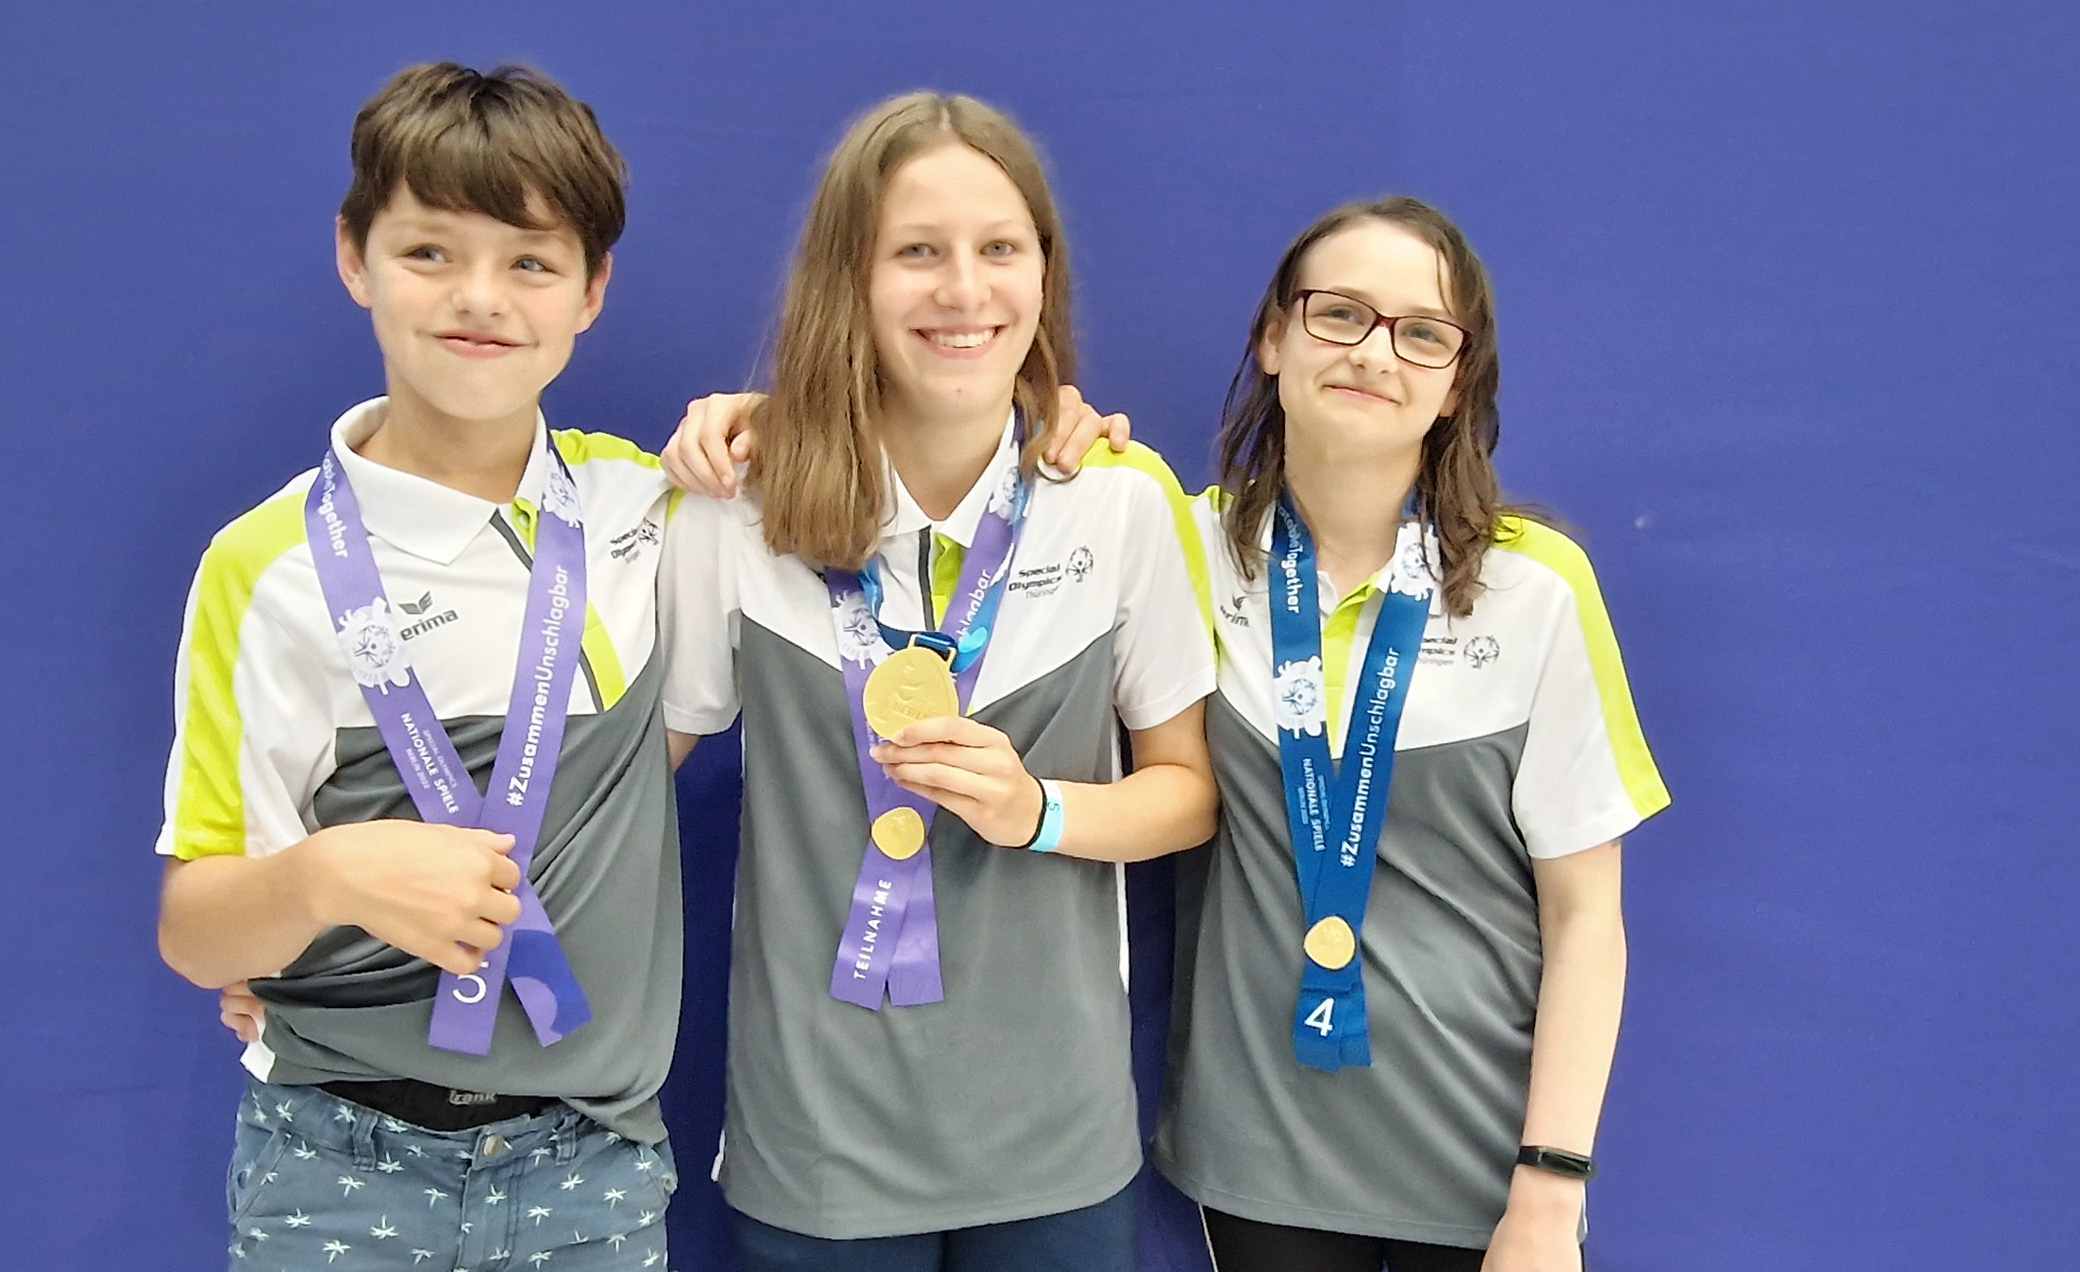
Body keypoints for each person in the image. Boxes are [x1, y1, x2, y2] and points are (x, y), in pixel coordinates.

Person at [655, 92, 1219, 1272]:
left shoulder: (1117, 500)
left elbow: (1187, 795)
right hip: (819, 1146)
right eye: (918, 252)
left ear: (1042, 275)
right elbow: (624, 793)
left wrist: (1041, 810)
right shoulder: (736, 512)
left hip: (1056, 1143)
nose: (964, 291)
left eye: (998, 249)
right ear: (848, 279)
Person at [156, 63, 686, 1270]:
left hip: (590, 1167)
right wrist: (328, 876)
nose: (480, 298)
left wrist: (1065, 420)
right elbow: (196, 935)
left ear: (592, 291)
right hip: (333, 1161)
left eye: (531, 262)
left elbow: (865, 458)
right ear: (355, 257)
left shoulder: (648, 508)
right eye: (429, 252)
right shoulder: (265, 566)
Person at [1150, 197, 1669, 1272]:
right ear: (1273, 335)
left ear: (1453, 385)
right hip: (1261, 1157)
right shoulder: (1177, 547)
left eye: (1421, 332)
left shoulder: (1536, 588)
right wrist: (753, 425)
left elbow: (1587, 919)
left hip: (1480, 1166)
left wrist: (1549, 1187)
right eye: (1339, 313)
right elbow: (1011, 474)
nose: (1375, 353)